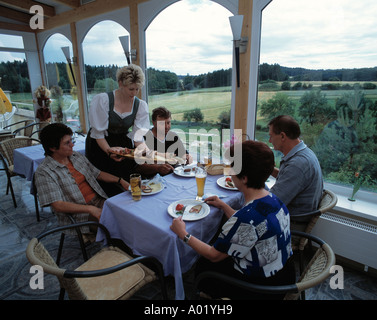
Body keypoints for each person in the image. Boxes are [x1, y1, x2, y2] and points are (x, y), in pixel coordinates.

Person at [170, 140, 295, 300]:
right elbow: (252, 227)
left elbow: (214, 255)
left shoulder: (246, 218)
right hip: (282, 274)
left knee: (203, 265)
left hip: (260, 288)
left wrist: (183, 234)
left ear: (244, 178)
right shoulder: (273, 199)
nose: (229, 173)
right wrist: (224, 206)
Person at [35, 123, 129, 234]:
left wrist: (120, 180)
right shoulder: (44, 172)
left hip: (99, 202)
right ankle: (121, 249)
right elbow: (58, 205)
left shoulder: (75, 156)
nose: (72, 145)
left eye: (71, 141)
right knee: (117, 227)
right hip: (78, 216)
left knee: (130, 215)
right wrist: (91, 209)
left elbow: (97, 174)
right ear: (52, 148)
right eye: (67, 143)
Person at [85, 64, 150, 196]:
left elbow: (137, 138)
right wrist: (109, 151)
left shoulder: (140, 106)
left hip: (122, 143)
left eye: (137, 89)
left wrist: (145, 150)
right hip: (100, 144)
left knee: (126, 183)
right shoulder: (103, 100)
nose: (134, 93)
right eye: (131, 89)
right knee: (106, 187)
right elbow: (98, 134)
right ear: (120, 83)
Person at [268, 115, 323, 216]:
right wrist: (268, 169)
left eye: (271, 136)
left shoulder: (298, 164)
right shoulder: (305, 152)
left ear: (282, 136)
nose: (269, 141)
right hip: (292, 213)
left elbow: (270, 204)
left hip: (291, 222)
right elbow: (288, 177)